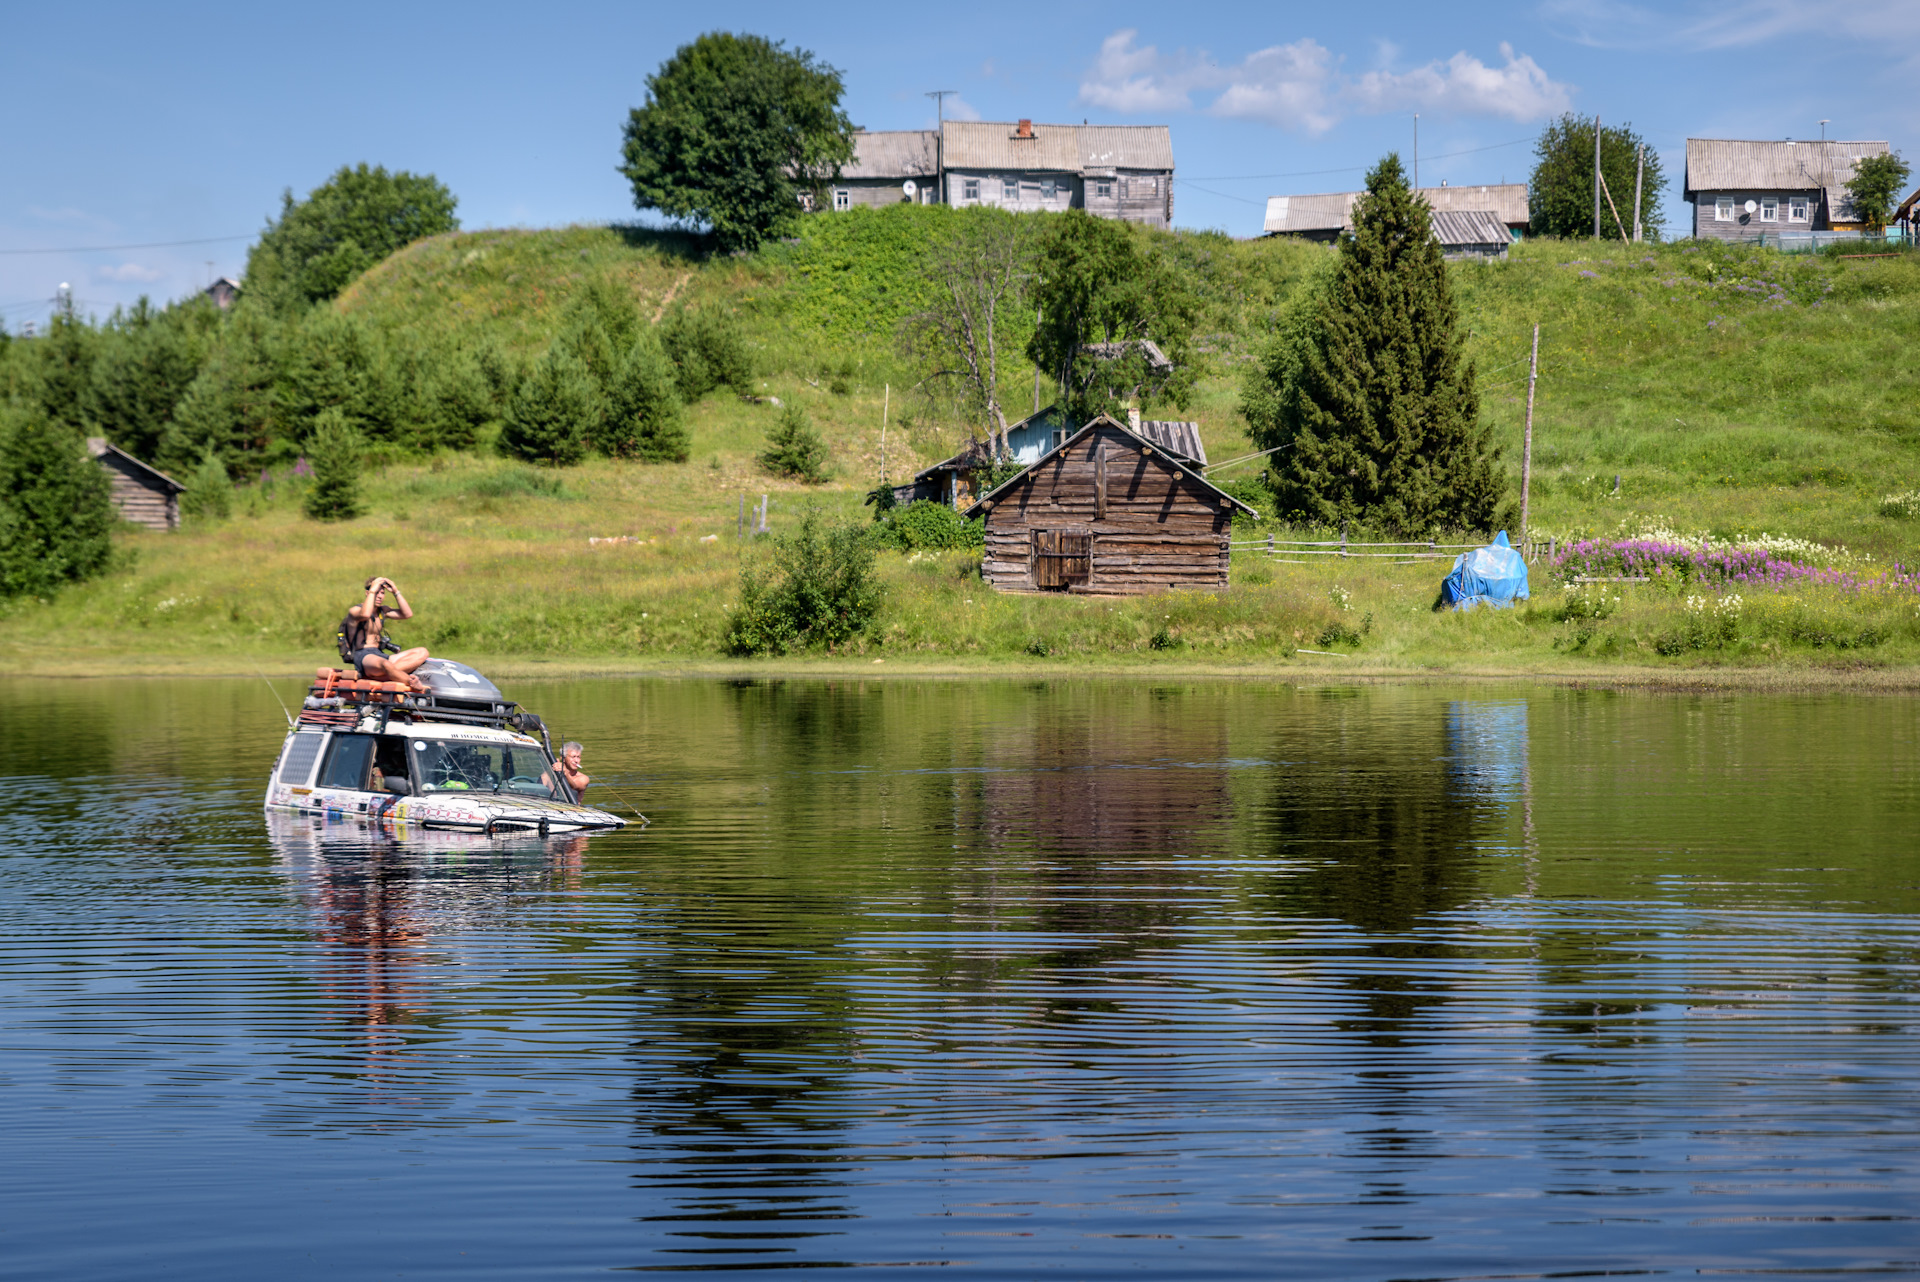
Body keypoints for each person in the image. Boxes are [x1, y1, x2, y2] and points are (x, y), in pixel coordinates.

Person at [342, 576, 430, 693]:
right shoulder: (355, 611)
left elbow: (407, 614)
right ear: (367, 593)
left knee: (422, 652)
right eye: (376, 592)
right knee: (386, 665)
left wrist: (396, 592)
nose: (379, 596)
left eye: (382, 593)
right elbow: (365, 615)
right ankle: (411, 682)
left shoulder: (382, 611)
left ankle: (384, 675)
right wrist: (373, 590)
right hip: (363, 656)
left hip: (379, 655)